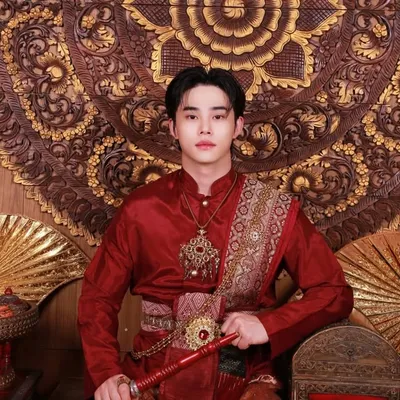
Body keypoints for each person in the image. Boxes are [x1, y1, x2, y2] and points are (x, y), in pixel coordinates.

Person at [78, 67, 353, 400]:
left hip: (243, 378)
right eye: (192, 116)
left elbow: (334, 293)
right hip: (151, 375)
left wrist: (268, 325)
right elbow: (98, 299)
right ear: (173, 127)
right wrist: (108, 373)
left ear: (237, 127)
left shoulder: (273, 210)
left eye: (218, 116)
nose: (205, 128)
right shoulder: (140, 208)